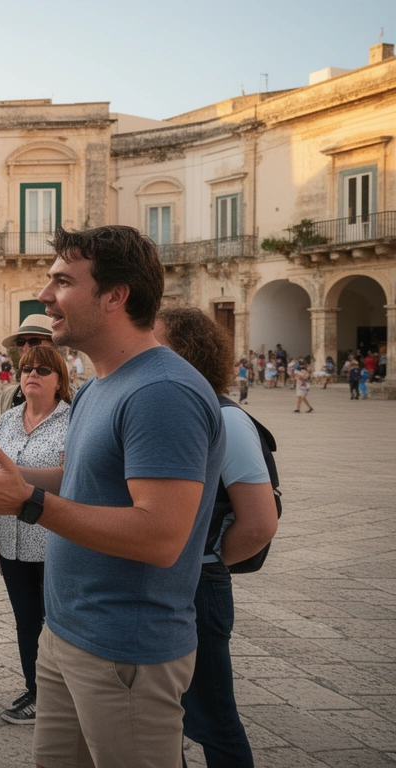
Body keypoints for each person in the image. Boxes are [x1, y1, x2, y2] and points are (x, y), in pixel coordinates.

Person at [0, 226, 224, 767]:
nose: (46, 296)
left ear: (115, 295)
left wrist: (26, 503)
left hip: (124, 651)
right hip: (65, 635)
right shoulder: (104, 385)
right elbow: (83, 479)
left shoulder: (162, 393)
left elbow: (161, 536)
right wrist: (3, 470)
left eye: (61, 281)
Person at [154, 307, 277, 768]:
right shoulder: (183, 409)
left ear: (186, 353)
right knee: (172, 714)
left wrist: (208, 559)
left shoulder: (227, 419)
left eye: (157, 343)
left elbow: (260, 522)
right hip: (172, 579)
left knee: (212, 718)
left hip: (200, 585)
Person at [0, 344, 71, 726]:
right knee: (25, 620)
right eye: (26, 369)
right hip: (10, 538)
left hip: (53, 540)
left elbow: (71, 482)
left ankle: (58, 694)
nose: (32, 374)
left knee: (56, 621)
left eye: (42, 370)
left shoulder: (72, 420)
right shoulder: (8, 420)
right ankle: (35, 689)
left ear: (59, 380)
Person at [0, 315, 56, 413]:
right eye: (21, 342)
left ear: (54, 345)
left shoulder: (74, 397)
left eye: (34, 341)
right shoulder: (9, 395)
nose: (25, 348)